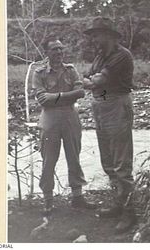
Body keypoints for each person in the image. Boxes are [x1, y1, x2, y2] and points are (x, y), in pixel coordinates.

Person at [82, 17, 136, 233]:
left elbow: (97, 81)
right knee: (108, 160)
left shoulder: (121, 55)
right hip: (102, 107)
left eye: (96, 34)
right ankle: (118, 203)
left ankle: (129, 212)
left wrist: (90, 82)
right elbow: (89, 76)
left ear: (109, 35)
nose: (93, 39)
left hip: (116, 106)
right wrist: (90, 81)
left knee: (121, 162)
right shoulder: (100, 55)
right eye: (92, 35)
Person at [32, 40, 96, 216]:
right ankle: (48, 201)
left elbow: (81, 92)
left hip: (70, 116)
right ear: (47, 52)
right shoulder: (39, 73)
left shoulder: (70, 69)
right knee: (48, 161)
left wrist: (56, 97)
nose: (59, 52)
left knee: (74, 157)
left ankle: (78, 197)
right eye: (54, 49)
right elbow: (42, 99)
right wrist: (67, 96)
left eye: (61, 48)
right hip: (50, 119)